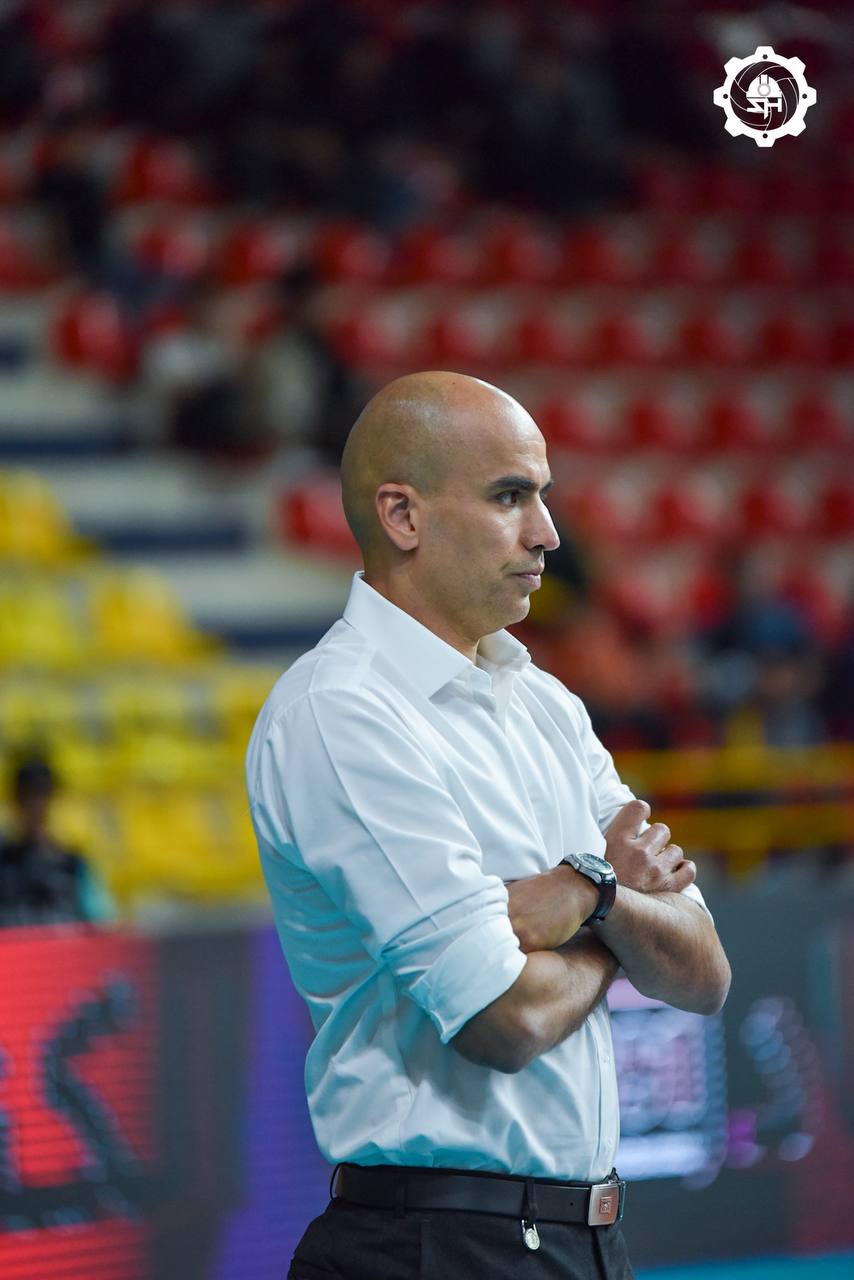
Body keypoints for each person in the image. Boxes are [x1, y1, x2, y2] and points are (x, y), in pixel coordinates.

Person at [245, 371, 731, 1279]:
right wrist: (616, 910)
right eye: (511, 497)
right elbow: (501, 1016)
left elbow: (705, 973)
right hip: (432, 1246)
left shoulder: (544, 702)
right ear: (403, 516)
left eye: (541, 496)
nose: (548, 531)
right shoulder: (341, 713)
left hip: (580, 1243)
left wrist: (586, 899)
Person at [0, 757, 115, 928]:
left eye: (43, 795)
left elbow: (103, 923)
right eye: (28, 796)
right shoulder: (4, 862)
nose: (37, 805)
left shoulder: (74, 865)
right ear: (16, 802)